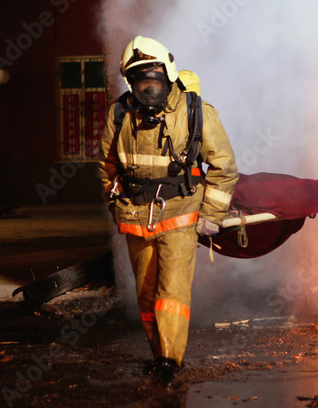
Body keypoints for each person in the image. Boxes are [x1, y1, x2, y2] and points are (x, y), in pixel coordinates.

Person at [99, 36, 238, 386]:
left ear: (169, 75)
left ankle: (169, 360)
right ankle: (158, 353)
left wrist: (211, 214)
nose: (149, 89)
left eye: (155, 80)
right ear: (130, 82)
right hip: (135, 215)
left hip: (181, 211)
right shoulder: (119, 114)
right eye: (141, 82)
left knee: (171, 291)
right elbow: (106, 165)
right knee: (146, 294)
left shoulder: (196, 111)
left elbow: (223, 166)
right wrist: (116, 202)